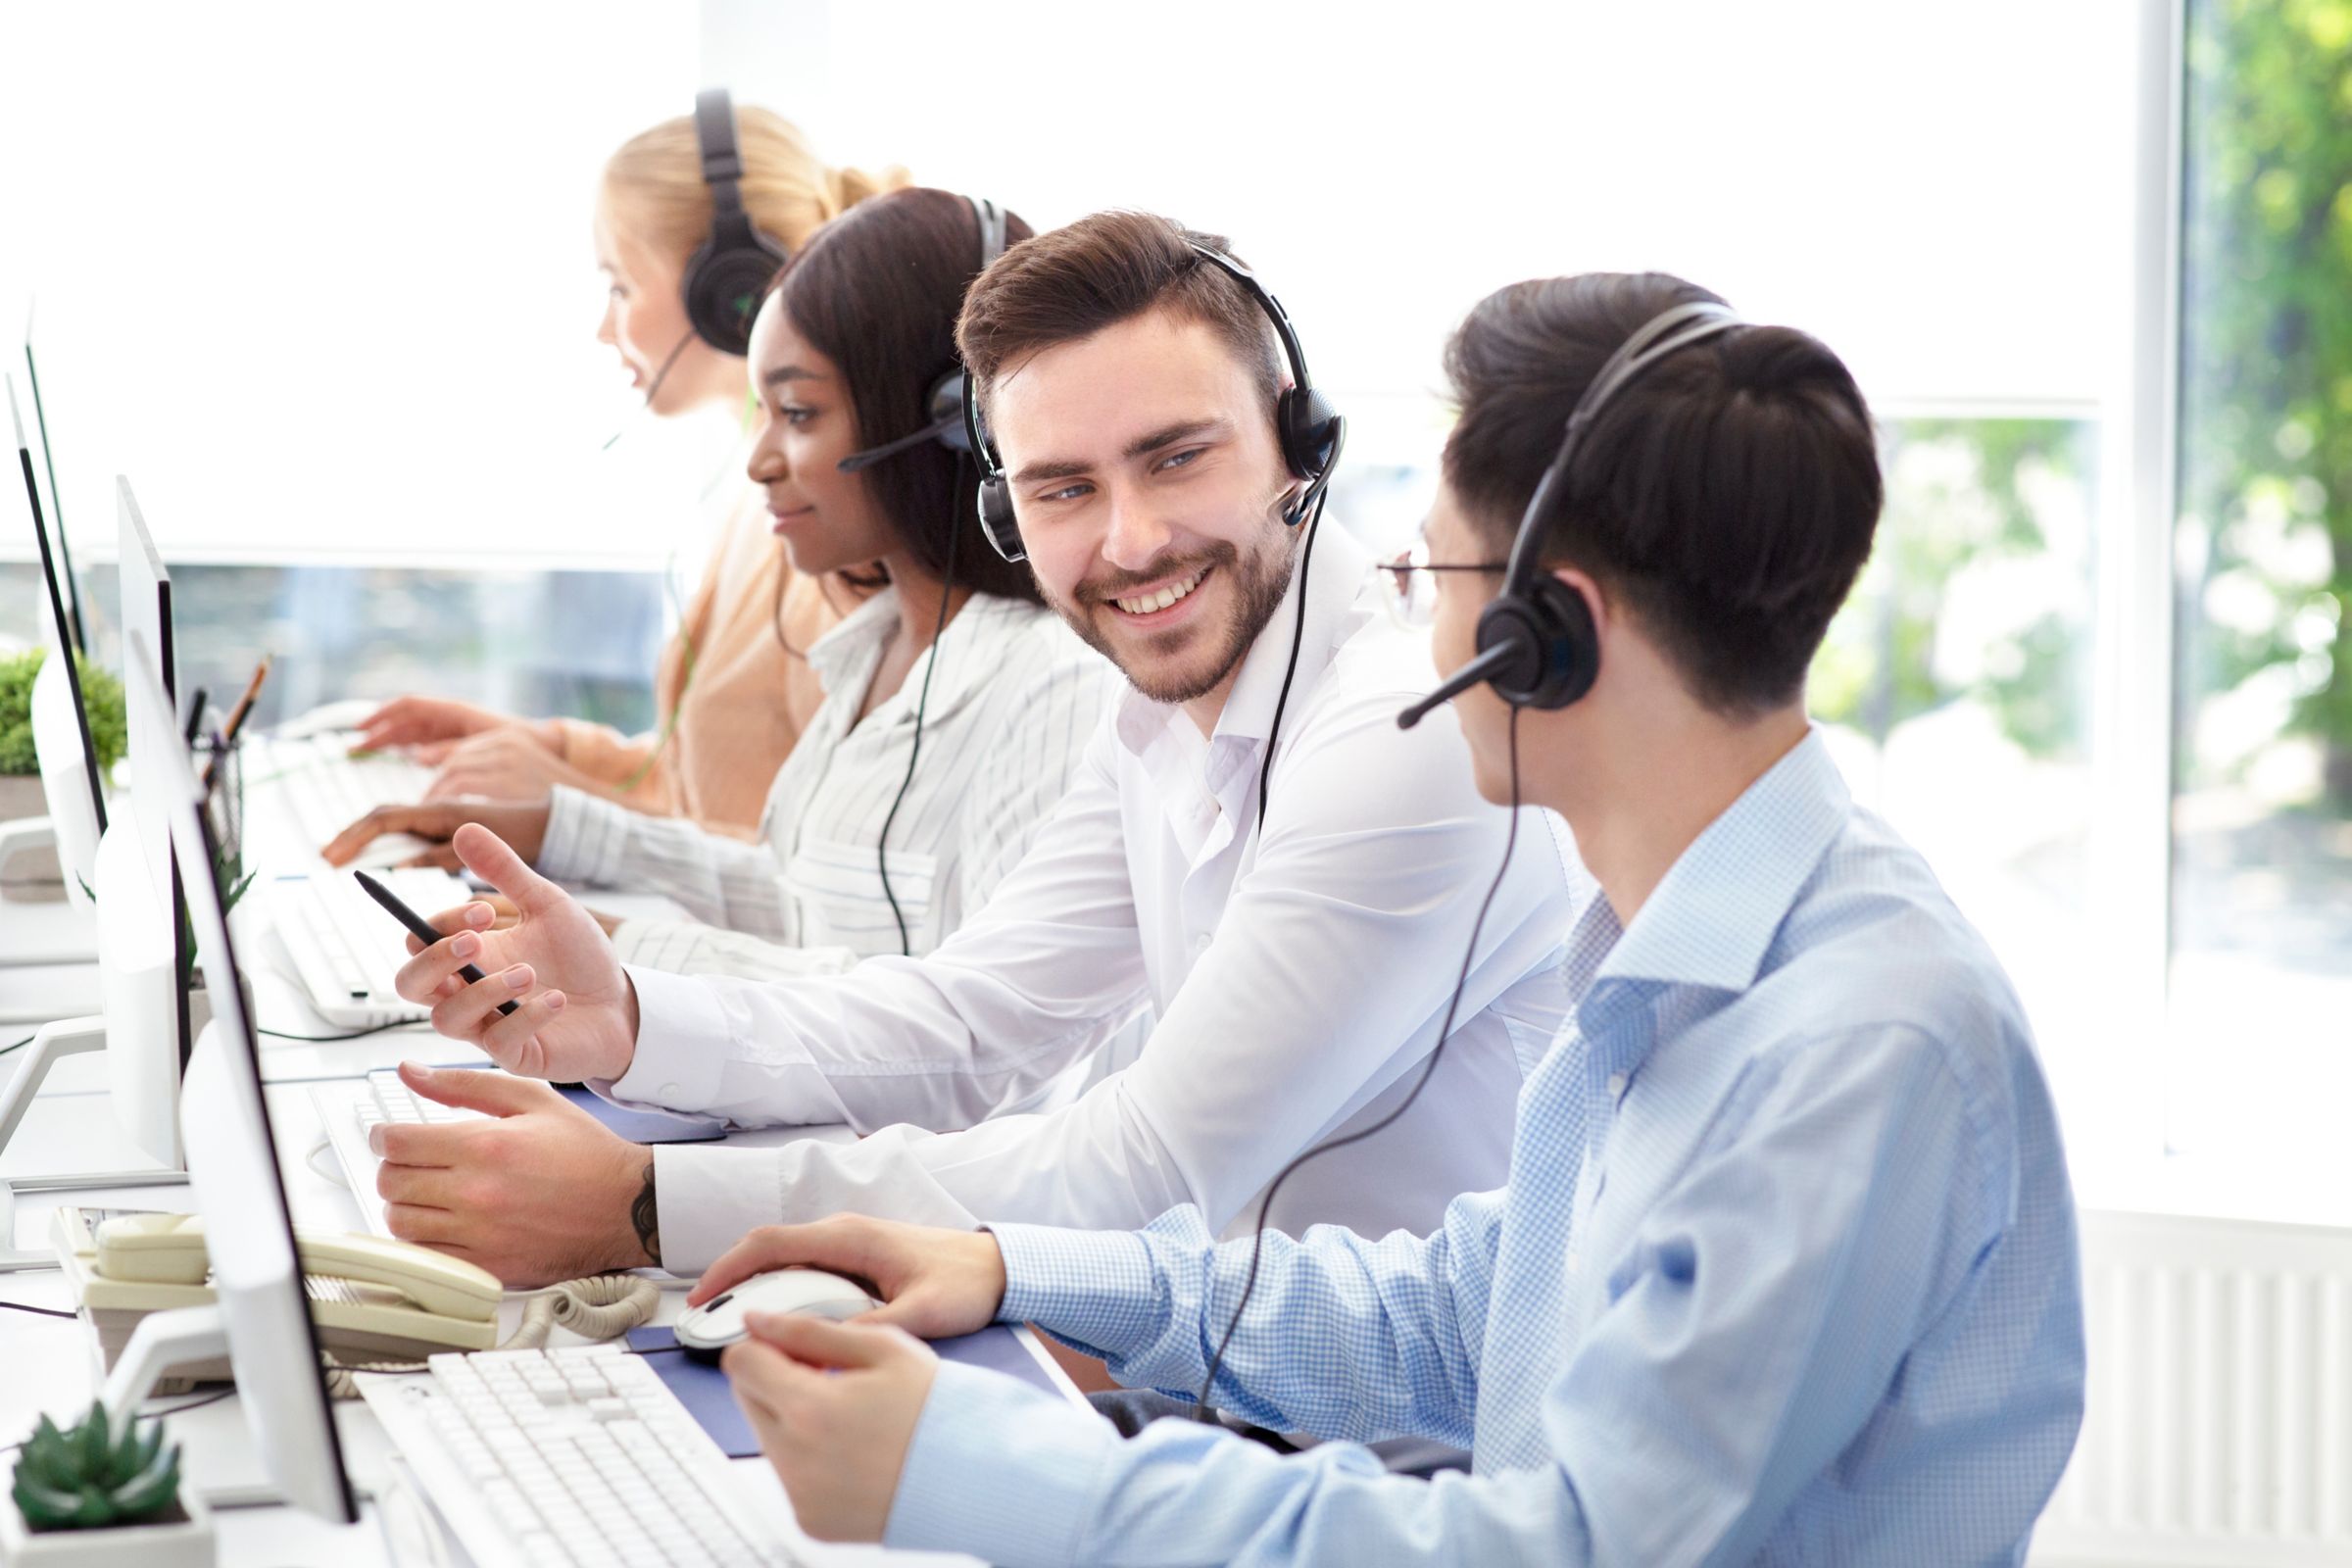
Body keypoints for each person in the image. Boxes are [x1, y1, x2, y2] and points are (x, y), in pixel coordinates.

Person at [681, 272, 2088, 1563]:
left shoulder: (1853, 1045)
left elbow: (1570, 1549)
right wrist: (1016, 1269)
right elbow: (1463, 1319)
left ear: (1550, 634)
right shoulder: (1664, 958)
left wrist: (975, 1465)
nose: (1406, 629)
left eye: (1430, 576)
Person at [372, 211, 1575, 1291]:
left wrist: (646, 1205)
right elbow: (976, 1018)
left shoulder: (1403, 734)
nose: (1133, 541)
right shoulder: (1159, 710)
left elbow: (1145, 1166)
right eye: (1061, 490)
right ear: (1008, 512)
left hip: (1379, 1459)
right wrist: (628, 1018)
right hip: (1210, 1377)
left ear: (1299, 443)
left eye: (1177, 456)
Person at [347, 96, 904, 835]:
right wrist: (546, 748)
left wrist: (568, 808)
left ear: (733, 294)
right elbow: (702, 780)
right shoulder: (757, 495)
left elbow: (802, 874)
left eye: (621, 285)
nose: (604, 328)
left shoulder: (828, 533)